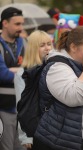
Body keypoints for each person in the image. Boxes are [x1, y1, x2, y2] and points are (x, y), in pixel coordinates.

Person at [14, 30, 53, 150]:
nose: (47, 48)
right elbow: (21, 106)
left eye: (49, 44)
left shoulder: (56, 68)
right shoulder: (22, 74)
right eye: (42, 45)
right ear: (33, 48)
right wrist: (25, 136)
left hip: (56, 129)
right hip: (36, 130)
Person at [0, 7, 26, 150]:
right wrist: (23, 72)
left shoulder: (25, 43)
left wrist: (15, 71)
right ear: (5, 23)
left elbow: (34, 70)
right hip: (4, 109)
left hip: (22, 109)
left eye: (22, 24)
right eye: (17, 24)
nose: (21, 28)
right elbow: (2, 74)